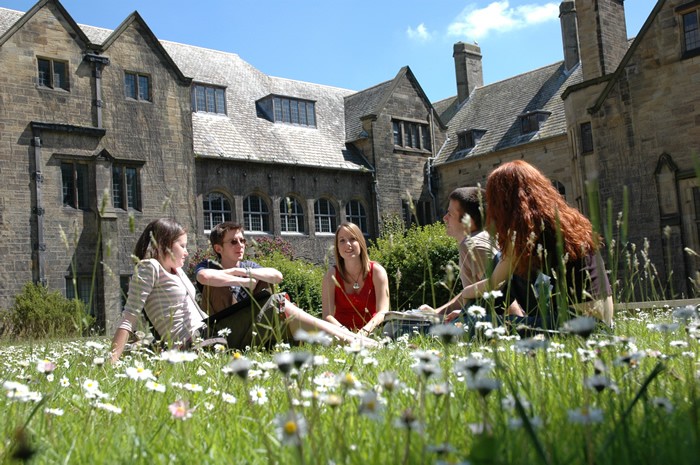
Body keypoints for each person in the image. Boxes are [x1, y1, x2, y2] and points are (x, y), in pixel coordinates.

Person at [444, 160, 614, 328]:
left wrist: (466, 297)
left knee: (477, 322)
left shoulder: (524, 233)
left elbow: (493, 283)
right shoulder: (563, 222)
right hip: (602, 323)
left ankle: (465, 321)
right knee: (508, 273)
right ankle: (469, 317)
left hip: (576, 325)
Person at [195, 221, 378, 348]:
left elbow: (277, 276)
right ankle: (353, 341)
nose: (241, 245)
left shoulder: (248, 266)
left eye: (242, 240)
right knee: (279, 303)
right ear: (218, 248)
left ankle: (353, 339)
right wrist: (238, 278)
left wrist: (246, 272)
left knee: (276, 296)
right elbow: (204, 277)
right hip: (226, 331)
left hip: (253, 327)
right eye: (233, 242)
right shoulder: (209, 266)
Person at [110, 218, 207, 362]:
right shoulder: (149, 267)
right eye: (182, 246)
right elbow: (129, 318)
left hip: (205, 330)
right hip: (189, 341)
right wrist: (111, 361)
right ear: (163, 244)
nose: (186, 252)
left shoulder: (177, 270)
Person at [419, 187, 499, 316]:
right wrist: (438, 312)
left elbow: (501, 294)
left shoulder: (474, 246)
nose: (444, 218)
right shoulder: (477, 240)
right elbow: (475, 290)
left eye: (450, 214)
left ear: (468, 221)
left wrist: (466, 315)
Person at [322, 222, 390, 336]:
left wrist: (364, 332)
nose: (348, 244)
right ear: (337, 247)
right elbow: (327, 315)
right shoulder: (331, 276)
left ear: (361, 242)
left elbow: (383, 311)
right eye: (342, 240)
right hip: (341, 334)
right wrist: (345, 332)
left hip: (371, 332)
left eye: (353, 239)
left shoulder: (377, 272)